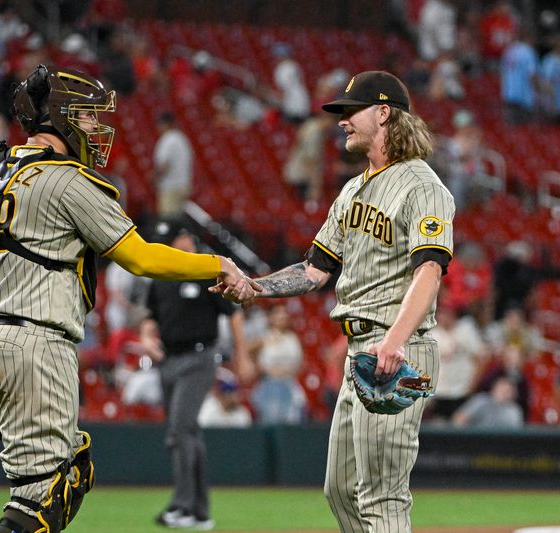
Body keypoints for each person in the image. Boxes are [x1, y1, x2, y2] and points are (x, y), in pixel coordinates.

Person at [0, 65, 258, 533]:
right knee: (42, 498)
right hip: (38, 345)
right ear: (61, 118)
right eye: (86, 117)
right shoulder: (71, 182)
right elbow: (142, 259)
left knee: (64, 475)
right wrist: (218, 264)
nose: (95, 126)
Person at [215, 70, 455, 533]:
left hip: (395, 349)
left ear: (384, 113)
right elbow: (315, 270)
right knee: (341, 490)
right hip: (359, 352)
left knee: (382, 496)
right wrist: (255, 286)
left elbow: (430, 270)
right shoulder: (351, 189)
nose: (341, 121)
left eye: (351, 112)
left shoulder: (423, 186)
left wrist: (395, 343)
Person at [139, 218, 254, 530]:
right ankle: (199, 511)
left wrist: (241, 356)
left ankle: (183, 505)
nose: (168, 247)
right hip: (169, 360)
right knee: (186, 433)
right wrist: (148, 337)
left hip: (200, 358)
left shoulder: (205, 272)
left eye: (172, 240)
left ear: (186, 240)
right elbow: (150, 318)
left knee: (181, 428)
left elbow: (233, 315)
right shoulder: (159, 278)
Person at [249, 303, 307, 425]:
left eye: (284, 312)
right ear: (270, 317)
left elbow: (301, 363)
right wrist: (259, 367)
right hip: (270, 388)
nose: (282, 316)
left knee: (292, 426)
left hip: (290, 386)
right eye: (278, 313)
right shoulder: (264, 337)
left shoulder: (293, 338)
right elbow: (246, 353)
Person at [151, 112, 193, 218]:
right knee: (178, 219)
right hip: (183, 184)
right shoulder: (182, 138)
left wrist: (154, 178)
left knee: (167, 220)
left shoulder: (167, 140)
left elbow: (164, 165)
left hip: (170, 187)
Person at [451, 375, 524, 428]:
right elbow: (459, 419)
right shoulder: (481, 400)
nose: (504, 392)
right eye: (502, 389)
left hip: (500, 444)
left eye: (508, 390)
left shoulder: (514, 410)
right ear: (494, 389)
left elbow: (516, 431)